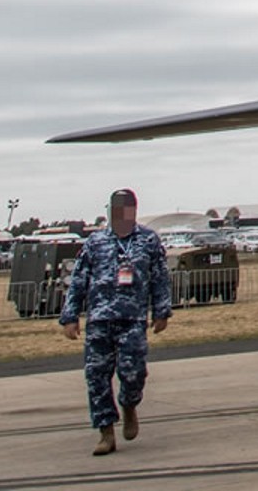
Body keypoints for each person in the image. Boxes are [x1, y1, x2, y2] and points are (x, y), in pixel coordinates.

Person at [58, 188, 172, 457]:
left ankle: (129, 405)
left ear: (134, 210)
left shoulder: (148, 240)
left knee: (133, 373)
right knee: (96, 377)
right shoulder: (95, 242)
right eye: (116, 208)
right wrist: (70, 317)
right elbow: (78, 281)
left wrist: (161, 311)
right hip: (99, 321)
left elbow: (160, 277)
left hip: (132, 319)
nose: (120, 213)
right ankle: (106, 432)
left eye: (126, 208)